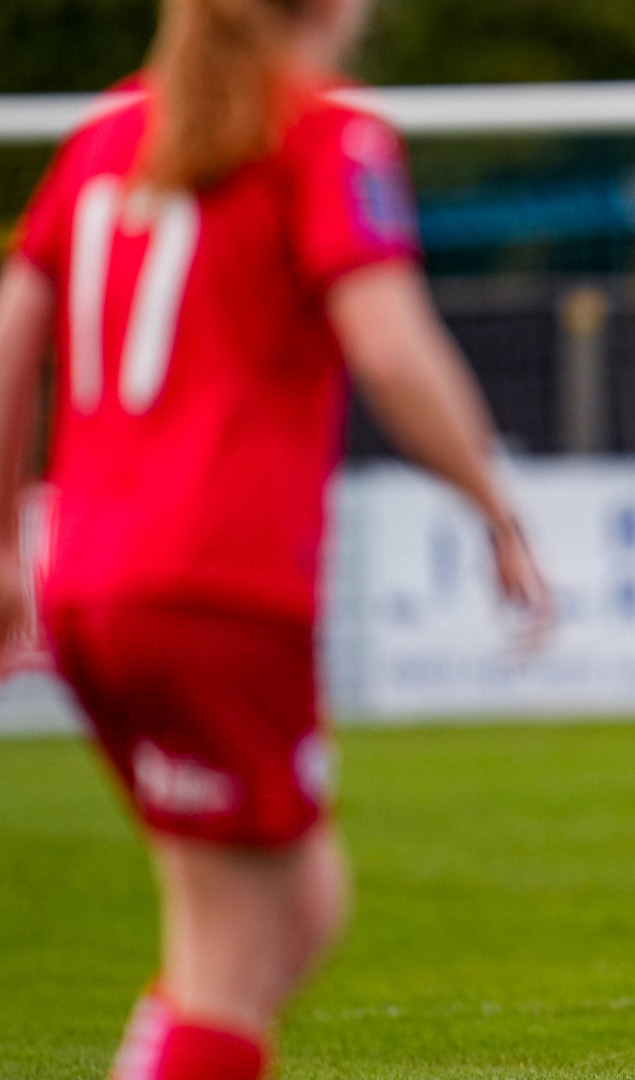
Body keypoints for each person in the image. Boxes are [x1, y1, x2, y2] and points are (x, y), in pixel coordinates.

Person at [0, 1, 551, 1077]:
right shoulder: (323, 133)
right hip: (215, 585)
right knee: (238, 943)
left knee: (289, 911)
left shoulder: (111, 131)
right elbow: (391, 351)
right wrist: (493, 501)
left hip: (90, 583)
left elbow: (14, 330)